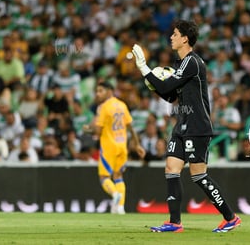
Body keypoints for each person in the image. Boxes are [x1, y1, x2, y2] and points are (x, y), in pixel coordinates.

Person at [132, 19, 241, 233]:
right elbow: (170, 95)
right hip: (182, 124)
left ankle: (230, 217)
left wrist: (145, 68)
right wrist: (152, 83)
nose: (171, 37)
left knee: (198, 175)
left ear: (185, 38)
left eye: (174, 34)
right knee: (171, 169)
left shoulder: (192, 62)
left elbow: (166, 85)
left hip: (198, 126)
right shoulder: (181, 64)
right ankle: (174, 222)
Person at [83, 81, 145, 215]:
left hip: (109, 146)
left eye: (101, 91)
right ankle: (120, 208)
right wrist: (137, 144)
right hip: (122, 146)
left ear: (109, 91)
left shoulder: (103, 107)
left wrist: (88, 130)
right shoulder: (122, 105)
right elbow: (131, 127)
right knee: (118, 176)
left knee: (103, 177)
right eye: (97, 91)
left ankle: (115, 194)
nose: (98, 94)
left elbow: (98, 132)